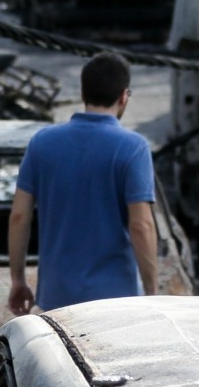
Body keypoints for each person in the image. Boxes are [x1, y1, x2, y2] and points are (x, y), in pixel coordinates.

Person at [8, 51, 157, 315]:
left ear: (82, 93)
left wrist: (18, 280)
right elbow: (141, 225)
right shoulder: (133, 148)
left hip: (56, 301)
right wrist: (152, 291)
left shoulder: (42, 143)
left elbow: (20, 216)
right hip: (116, 303)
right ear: (124, 96)